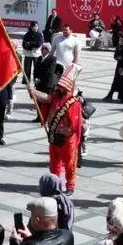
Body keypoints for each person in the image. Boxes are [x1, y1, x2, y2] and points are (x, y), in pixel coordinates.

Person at [30, 65, 82, 194]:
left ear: (66, 89)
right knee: (54, 163)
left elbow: (73, 125)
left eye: (60, 87)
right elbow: (46, 98)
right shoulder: (55, 96)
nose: (57, 89)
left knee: (70, 164)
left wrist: (61, 131)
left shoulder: (73, 103)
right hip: (54, 136)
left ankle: (70, 186)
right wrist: (33, 91)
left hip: (67, 140)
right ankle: (55, 183)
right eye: (58, 86)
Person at [34, 43, 58, 122]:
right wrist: (35, 78)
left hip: (47, 84)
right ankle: (39, 117)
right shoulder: (39, 58)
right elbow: (35, 70)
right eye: (42, 48)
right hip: (39, 84)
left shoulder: (52, 59)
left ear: (48, 50)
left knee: (46, 101)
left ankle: (46, 117)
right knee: (38, 100)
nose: (43, 50)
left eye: (45, 49)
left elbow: (50, 72)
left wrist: (41, 79)